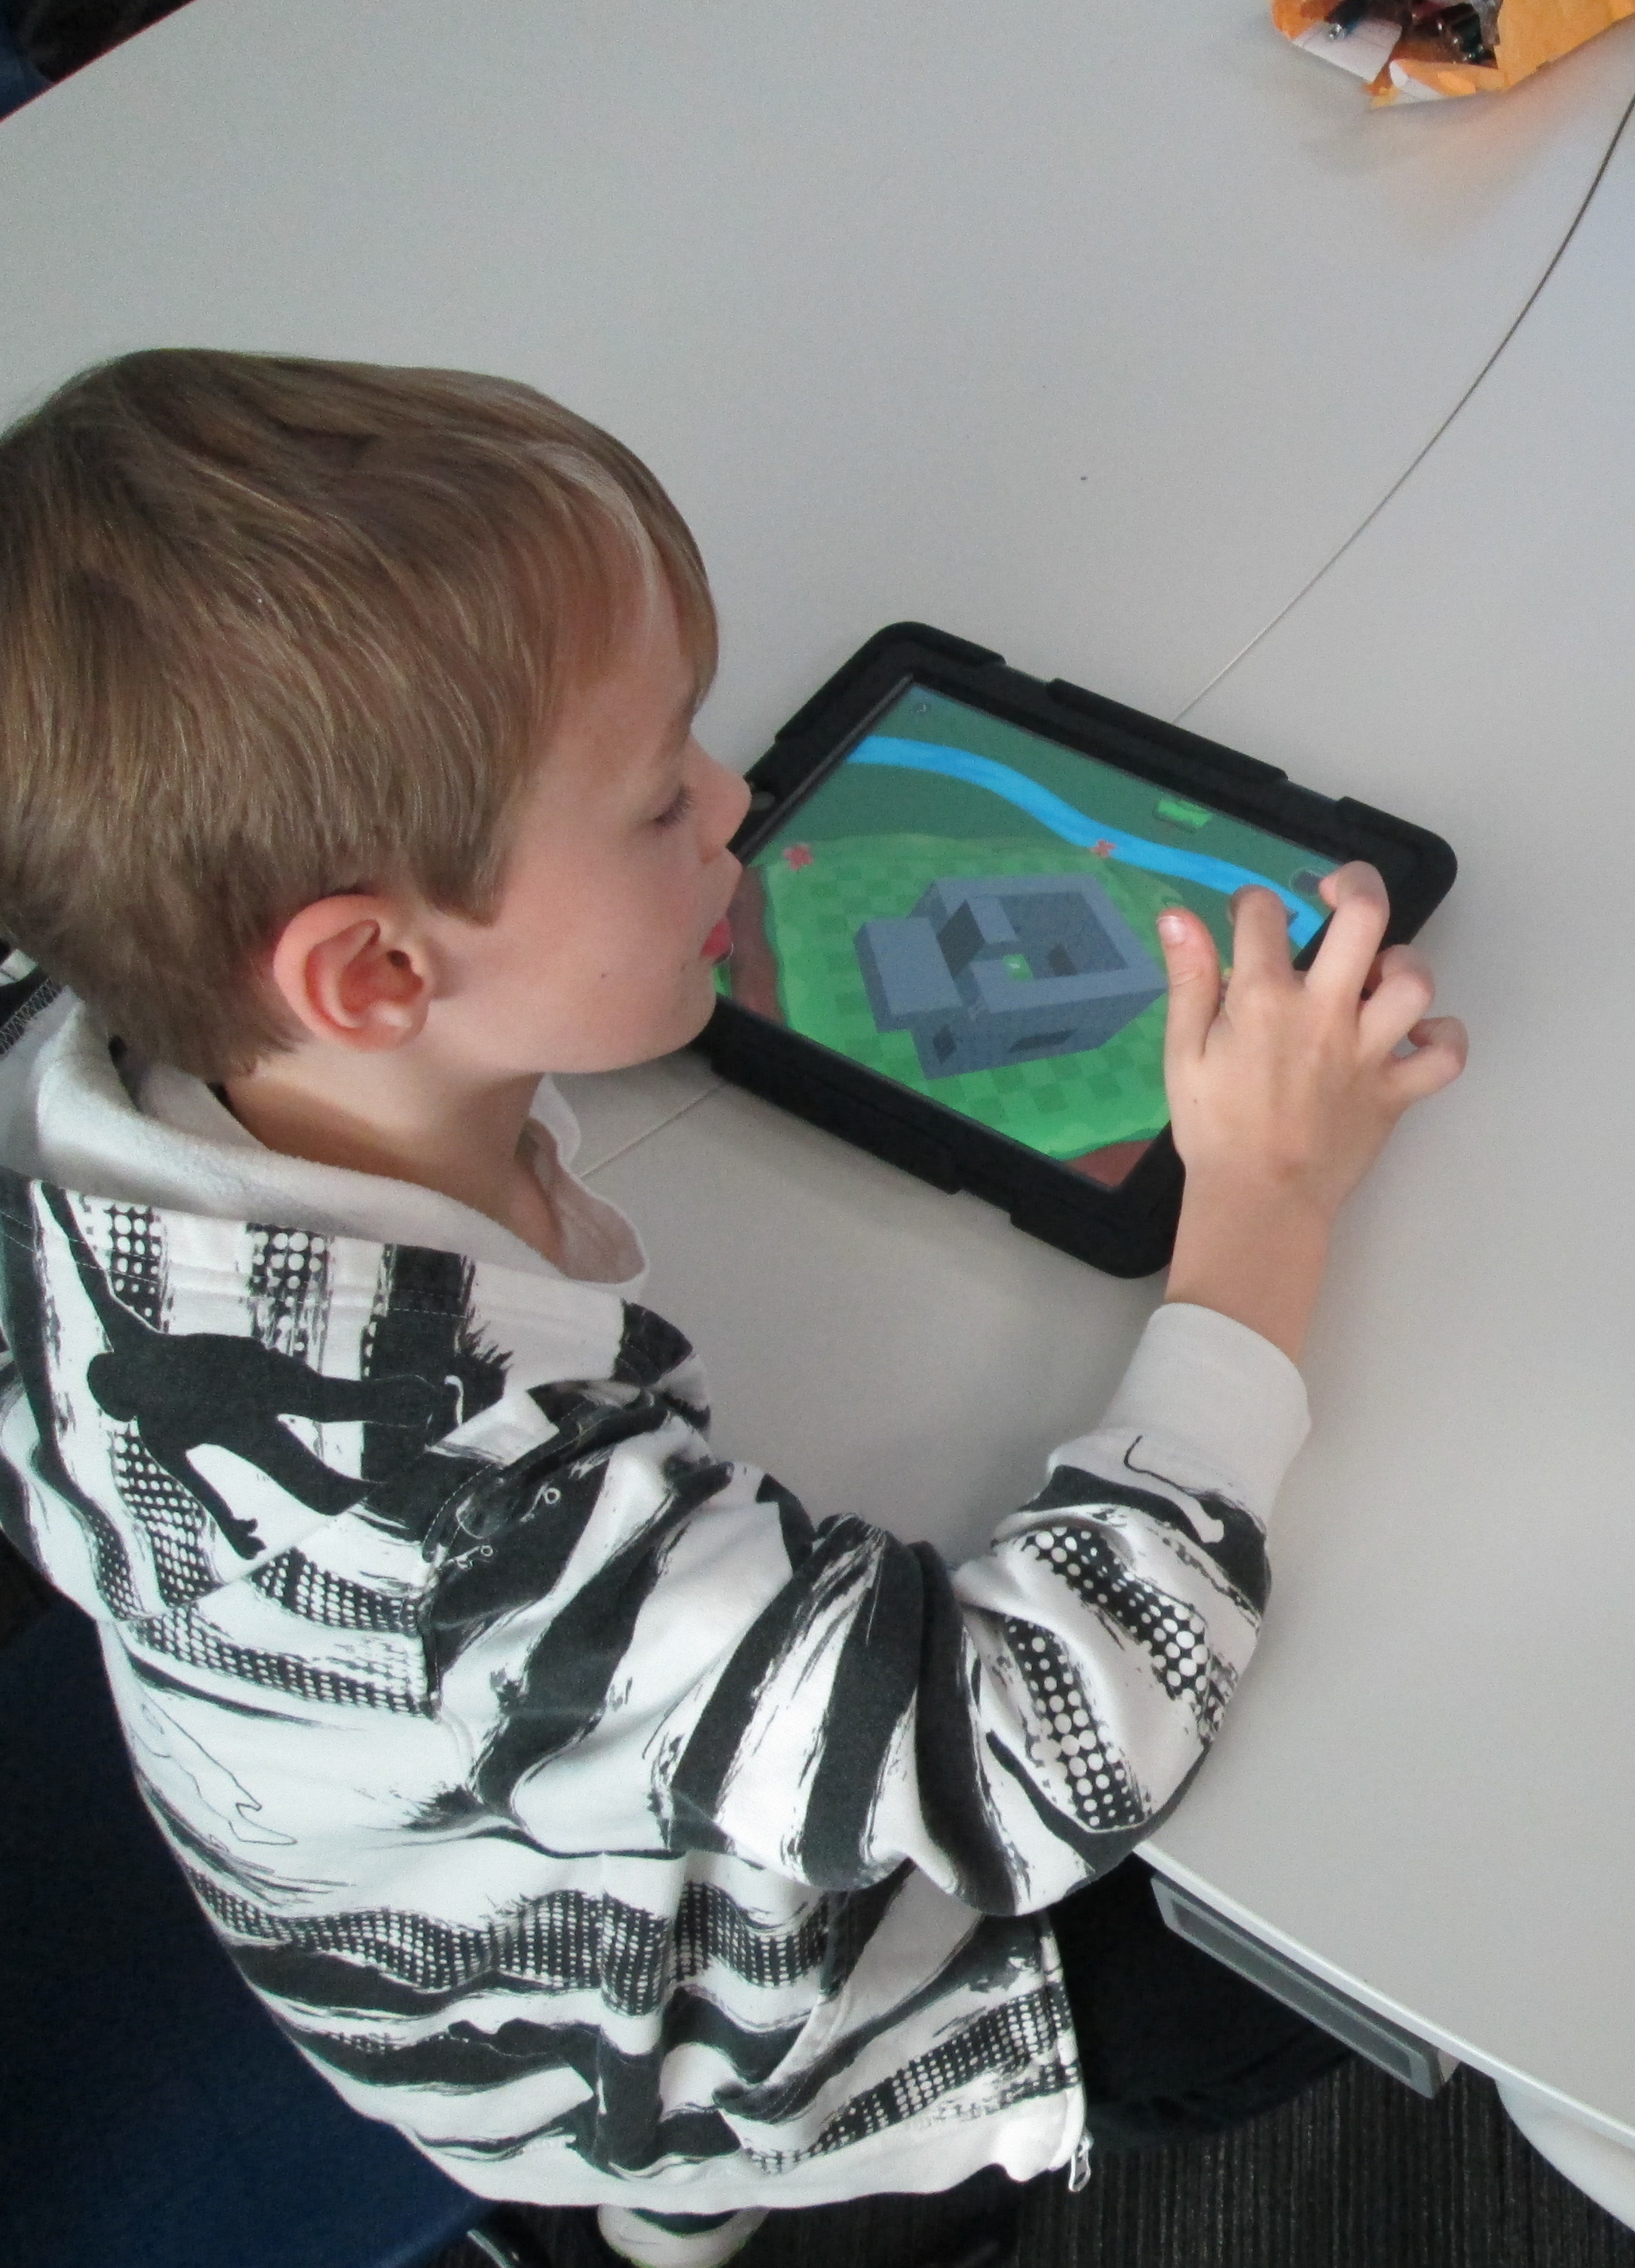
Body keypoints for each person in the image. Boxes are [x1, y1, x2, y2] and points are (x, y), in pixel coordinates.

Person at [0, 349, 1466, 2268]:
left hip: (391, 1814)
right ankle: (684, 2213)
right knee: (1349, 1903)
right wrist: (1259, 1215)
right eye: (651, 802)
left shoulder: (98, 1049)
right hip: (622, 2040)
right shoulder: (455, 1518)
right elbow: (1030, 1758)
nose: (739, 795)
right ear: (371, 977)